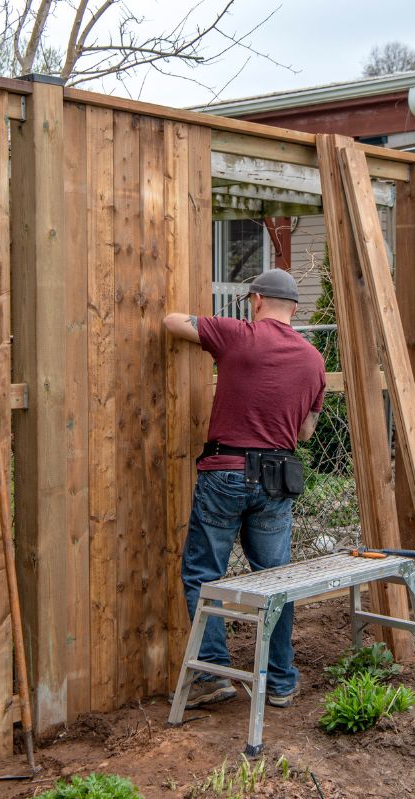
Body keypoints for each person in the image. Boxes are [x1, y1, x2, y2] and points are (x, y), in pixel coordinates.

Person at [163, 268, 326, 709]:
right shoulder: (314, 359)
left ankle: (213, 674)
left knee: (204, 575)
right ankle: (280, 681)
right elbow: (308, 432)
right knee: (276, 580)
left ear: (255, 300)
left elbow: (172, 322)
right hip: (276, 479)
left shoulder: (237, 335)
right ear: (294, 308)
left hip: (225, 471)